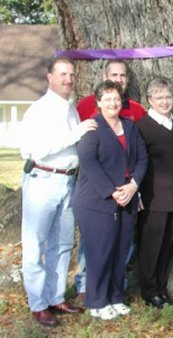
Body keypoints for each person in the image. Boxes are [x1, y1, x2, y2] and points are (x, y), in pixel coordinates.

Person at [20, 57, 97, 326]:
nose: (68, 79)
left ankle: (55, 297)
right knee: (35, 245)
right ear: (49, 77)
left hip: (67, 182)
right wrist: (75, 134)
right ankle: (38, 303)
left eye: (71, 75)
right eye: (62, 74)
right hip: (42, 180)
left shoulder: (70, 109)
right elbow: (36, 149)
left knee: (63, 244)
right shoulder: (38, 111)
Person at [72, 80, 147, 320]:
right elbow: (88, 163)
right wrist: (112, 191)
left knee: (121, 251)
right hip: (96, 201)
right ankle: (97, 300)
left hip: (128, 198)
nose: (113, 103)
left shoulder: (130, 126)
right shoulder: (92, 128)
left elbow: (142, 159)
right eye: (107, 99)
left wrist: (133, 186)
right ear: (98, 103)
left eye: (116, 98)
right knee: (100, 252)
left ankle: (116, 296)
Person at [135, 77, 173, 308]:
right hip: (153, 199)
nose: (165, 101)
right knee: (151, 246)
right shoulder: (141, 127)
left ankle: (160, 286)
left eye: (168, 97)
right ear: (149, 100)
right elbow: (136, 162)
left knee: (168, 245)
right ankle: (148, 291)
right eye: (159, 97)